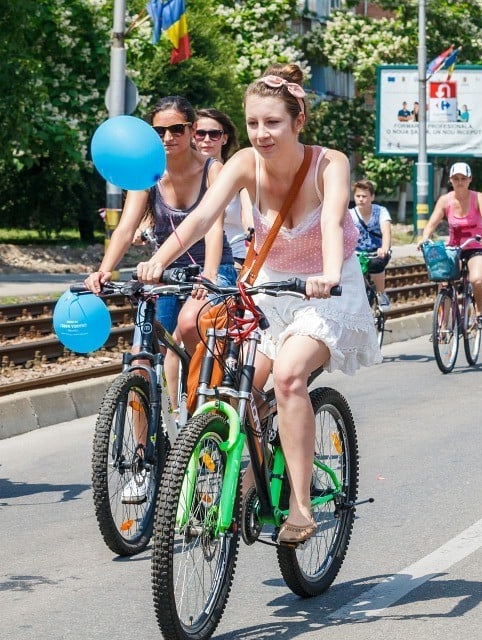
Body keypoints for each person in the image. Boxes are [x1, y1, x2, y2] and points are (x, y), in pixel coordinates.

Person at [135, 63, 382, 545]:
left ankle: (300, 506)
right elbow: (203, 215)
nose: (261, 133)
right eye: (252, 123)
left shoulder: (329, 164)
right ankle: (251, 478)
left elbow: (332, 223)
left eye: (272, 123)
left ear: (298, 121)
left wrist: (328, 275)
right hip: (269, 287)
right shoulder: (245, 163)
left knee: (289, 376)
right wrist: (157, 262)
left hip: (326, 289)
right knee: (238, 391)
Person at [85, 96, 235, 503]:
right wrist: (105, 269)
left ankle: (198, 430)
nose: (167, 138)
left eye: (176, 129)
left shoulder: (213, 168)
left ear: (191, 131)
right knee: (140, 362)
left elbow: (215, 227)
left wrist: (209, 275)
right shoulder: (147, 174)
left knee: (192, 333)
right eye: (159, 131)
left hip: (212, 270)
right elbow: (126, 227)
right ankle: (141, 461)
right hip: (164, 272)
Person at [418, 161, 482, 327]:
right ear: (451, 181)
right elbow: (431, 223)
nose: (459, 182)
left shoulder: (478, 197)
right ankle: (443, 326)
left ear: (469, 180)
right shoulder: (445, 200)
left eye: (463, 178)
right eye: (455, 178)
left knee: (477, 279)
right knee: (444, 282)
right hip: (454, 249)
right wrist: (424, 238)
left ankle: (479, 311)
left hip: (477, 246)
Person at [194, 107, 252, 271]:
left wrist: (251, 227)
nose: (207, 139)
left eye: (214, 134)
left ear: (224, 139)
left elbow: (248, 210)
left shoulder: (237, 176)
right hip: (191, 259)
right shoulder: (185, 178)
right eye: (200, 134)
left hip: (233, 257)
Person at [349, 179, 392, 309]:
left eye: (364, 196)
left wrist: (384, 248)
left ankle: (380, 293)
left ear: (372, 197)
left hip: (376, 252)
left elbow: (386, 231)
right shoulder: (350, 214)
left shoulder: (380, 211)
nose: (361, 199)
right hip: (357, 253)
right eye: (358, 196)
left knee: (377, 264)